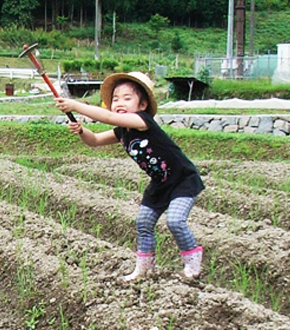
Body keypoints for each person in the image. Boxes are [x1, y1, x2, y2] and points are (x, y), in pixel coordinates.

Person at [54, 72, 205, 281]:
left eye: (127, 98)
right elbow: (95, 140)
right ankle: (144, 269)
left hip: (182, 180)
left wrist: (75, 105)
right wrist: (81, 131)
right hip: (160, 183)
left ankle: (192, 265)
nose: (119, 103)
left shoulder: (142, 121)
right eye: (115, 99)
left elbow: (107, 117)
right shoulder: (122, 131)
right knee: (143, 223)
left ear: (142, 105)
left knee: (176, 221)